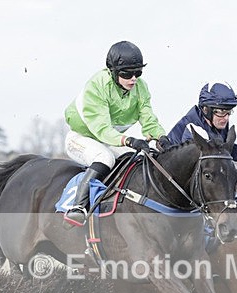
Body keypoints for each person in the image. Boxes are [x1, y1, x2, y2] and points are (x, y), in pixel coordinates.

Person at [62, 41, 169, 226]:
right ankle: (78, 207)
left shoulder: (140, 87)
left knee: (136, 158)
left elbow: (148, 118)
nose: (133, 79)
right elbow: (102, 130)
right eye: (127, 74)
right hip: (81, 138)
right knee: (105, 158)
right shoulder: (97, 85)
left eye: (138, 73)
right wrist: (129, 140)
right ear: (113, 71)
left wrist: (161, 137)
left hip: (108, 141)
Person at [167, 82, 237, 202]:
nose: (226, 118)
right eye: (221, 111)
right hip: (171, 187)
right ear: (206, 110)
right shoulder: (194, 128)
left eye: (229, 112)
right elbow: (212, 169)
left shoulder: (220, 123)